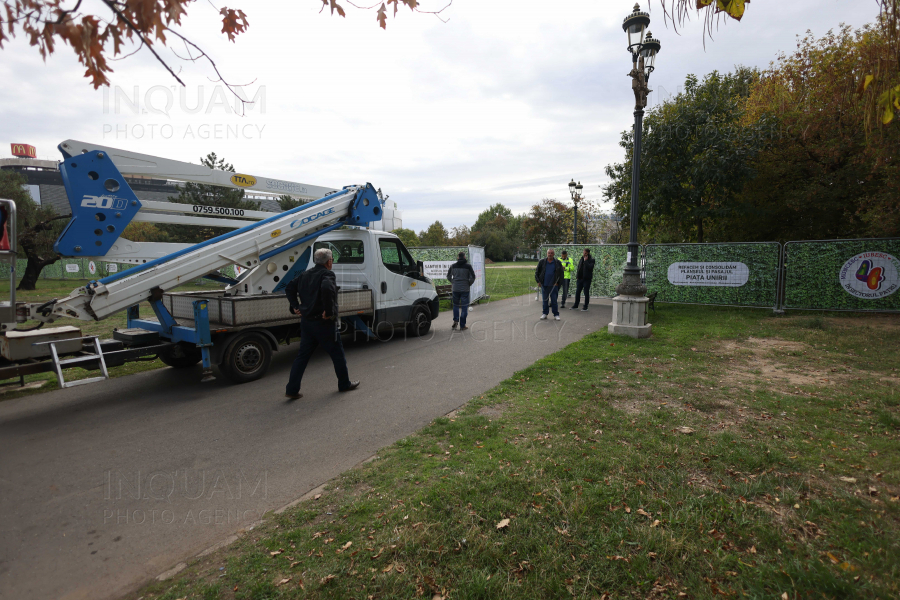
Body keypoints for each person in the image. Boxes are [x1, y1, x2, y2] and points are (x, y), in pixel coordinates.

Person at [284, 248, 360, 400]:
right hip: (324, 323)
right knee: (337, 353)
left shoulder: (305, 275)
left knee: (302, 356)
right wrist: (329, 311)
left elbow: (289, 288)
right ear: (329, 261)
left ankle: (292, 389)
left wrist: (295, 306)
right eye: (332, 260)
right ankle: (344, 384)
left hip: (307, 323)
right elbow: (326, 288)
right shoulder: (327, 274)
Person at [446, 251, 476, 331]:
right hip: (465, 289)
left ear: (458, 257)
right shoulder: (468, 266)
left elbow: (448, 276)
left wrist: (453, 282)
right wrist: (468, 283)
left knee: (455, 305)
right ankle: (462, 325)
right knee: (464, 307)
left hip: (455, 289)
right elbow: (473, 277)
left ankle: (456, 320)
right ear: (464, 257)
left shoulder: (453, 266)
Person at [534, 248, 563, 320]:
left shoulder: (557, 262)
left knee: (554, 300)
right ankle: (545, 313)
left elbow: (561, 274)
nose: (550, 254)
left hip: (554, 285)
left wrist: (558, 283)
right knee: (545, 300)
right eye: (549, 253)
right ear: (547, 254)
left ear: (554, 254)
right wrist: (538, 281)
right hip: (544, 285)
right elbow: (537, 273)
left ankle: (556, 314)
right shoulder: (542, 262)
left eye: (551, 253)